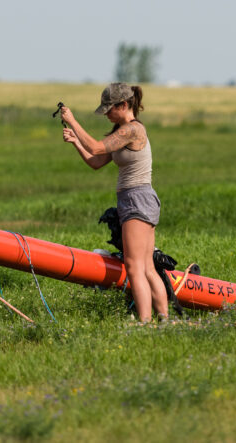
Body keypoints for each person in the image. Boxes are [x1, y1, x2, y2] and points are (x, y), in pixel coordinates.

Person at [60, 82, 168, 323]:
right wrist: (76, 142)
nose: (107, 114)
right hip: (137, 200)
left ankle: (144, 322)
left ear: (124, 105)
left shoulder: (133, 130)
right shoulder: (121, 132)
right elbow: (96, 161)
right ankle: (164, 320)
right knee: (147, 266)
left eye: (110, 109)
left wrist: (74, 121)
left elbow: (97, 146)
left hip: (137, 200)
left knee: (134, 267)